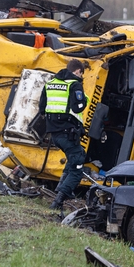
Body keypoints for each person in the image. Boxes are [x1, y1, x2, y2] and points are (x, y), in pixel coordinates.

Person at [38, 59, 88, 210]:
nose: (82, 76)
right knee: (78, 166)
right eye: (82, 73)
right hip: (68, 133)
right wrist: (84, 100)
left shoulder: (50, 83)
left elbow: (41, 109)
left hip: (55, 134)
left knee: (73, 159)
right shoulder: (74, 84)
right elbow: (78, 107)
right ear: (78, 71)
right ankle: (58, 201)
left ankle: (61, 189)